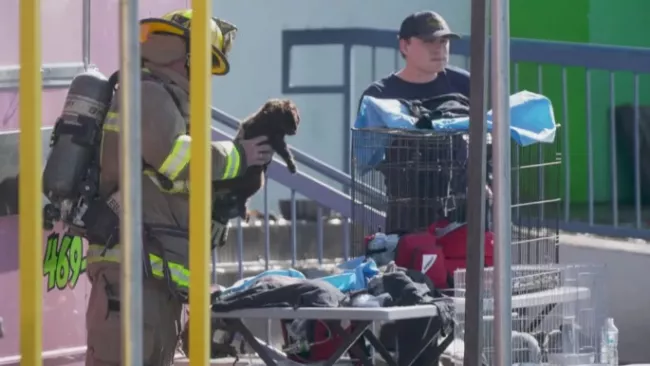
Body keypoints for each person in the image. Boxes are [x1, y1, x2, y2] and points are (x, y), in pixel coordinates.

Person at [84, 9, 274, 365]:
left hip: (155, 275)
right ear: (185, 56)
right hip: (131, 272)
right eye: (205, 63)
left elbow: (168, 186)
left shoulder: (165, 98)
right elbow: (177, 159)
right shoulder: (148, 94)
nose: (205, 75)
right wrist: (239, 155)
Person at [358, 11, 471, 233]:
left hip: (464, 204)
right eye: (429, 41)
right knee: (409, 264)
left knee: (464, 263)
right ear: (404, 46)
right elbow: (368, 153)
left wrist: (487, 179)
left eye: (444, 41)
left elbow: (487, 136)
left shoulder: (464, 84)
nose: (439, 48)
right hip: (408, 209)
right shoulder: (379, 95)